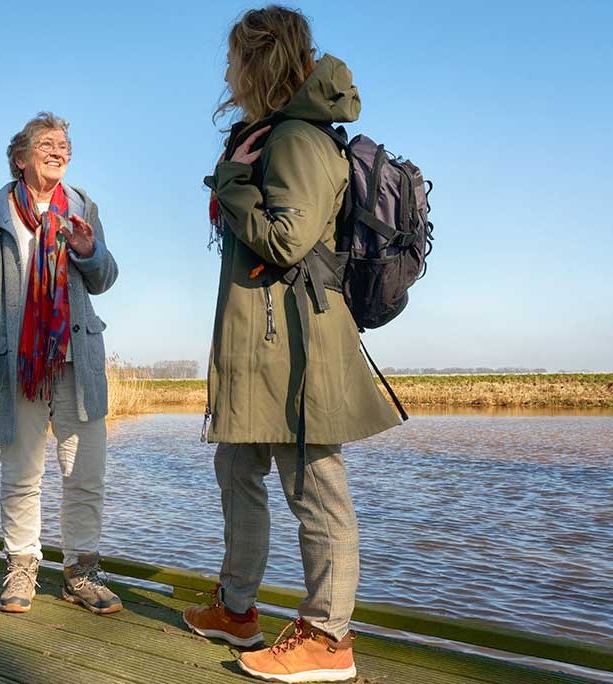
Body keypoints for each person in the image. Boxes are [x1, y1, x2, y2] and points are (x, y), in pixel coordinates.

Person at [183, 7, 401, 683]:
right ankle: (239, 608)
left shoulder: (301, 140)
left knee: (316, 488)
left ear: (260, 59)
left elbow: (285, 239)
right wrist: (234, 178)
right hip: (261, 345)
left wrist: (230, 184)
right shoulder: (270, 136)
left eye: (232, 58)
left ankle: (329, 637)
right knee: (237, 471)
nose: (224, 71)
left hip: (298, 346)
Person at [0, 111, 121, 615]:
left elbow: (106, 278)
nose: (59, 150)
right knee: (22, 472)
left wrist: (89, 250)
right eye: (47, 143)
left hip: (77, 359)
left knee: (85, 472)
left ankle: (81, 572)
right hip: (20, 363)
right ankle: (22, 567)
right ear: (20, 157)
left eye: (65, 143)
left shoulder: (83, 206)